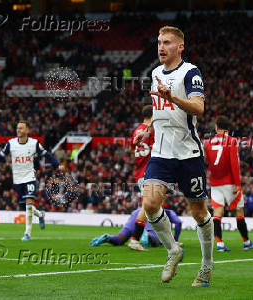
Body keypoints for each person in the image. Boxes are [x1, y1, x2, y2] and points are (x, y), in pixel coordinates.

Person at [133, 26, 213, 287]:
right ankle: (173, 250)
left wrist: (174, 97)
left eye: (167, 42)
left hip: (188, 153)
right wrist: (147, 130)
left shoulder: (190, 72)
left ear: (180, 47)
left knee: (199, 212)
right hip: (161, 153)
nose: (161, 47)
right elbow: (159, 112)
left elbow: (199, 108)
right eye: (158, 42)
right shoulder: (155, 73)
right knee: (150, 204)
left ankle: (206, 267)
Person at [0, 120, 64, 241]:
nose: (18, 130)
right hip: (17, 180)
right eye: (17, 128)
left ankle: (27, 234)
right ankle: (40, 214)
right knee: (27, 207)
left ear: (27, 130)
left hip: (30, 177)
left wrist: (57, 165)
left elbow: (47, 155)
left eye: (21, 128)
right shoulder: (11, 143)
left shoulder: (34, 143)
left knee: (29, 204)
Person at [204, 116, 253, 252]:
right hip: (229, 182)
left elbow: (207, 162)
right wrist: (237, 184)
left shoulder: (207, 143)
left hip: (215, 182)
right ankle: (246, 242)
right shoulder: (232, 141)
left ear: (217, 127)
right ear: (228, 128)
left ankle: (220, 243)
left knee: (217, 212)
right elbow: (234, 164)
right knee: (239, 211)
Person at [128, 105, 155, 251]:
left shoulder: (136, 130)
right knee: (147, 207)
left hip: (140, 171)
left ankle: (169, 239)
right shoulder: (151, 130)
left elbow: (132, 148)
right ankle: (134, 239)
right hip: (149, 171)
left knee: (155, 206)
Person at [89, 208, 182, 248]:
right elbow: (178, 222)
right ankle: (145, 234)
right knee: (156, 241)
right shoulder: (168, 212)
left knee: (120, 240)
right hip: (149, 216)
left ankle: (108, 238)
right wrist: (175, 240)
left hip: (136, 213)